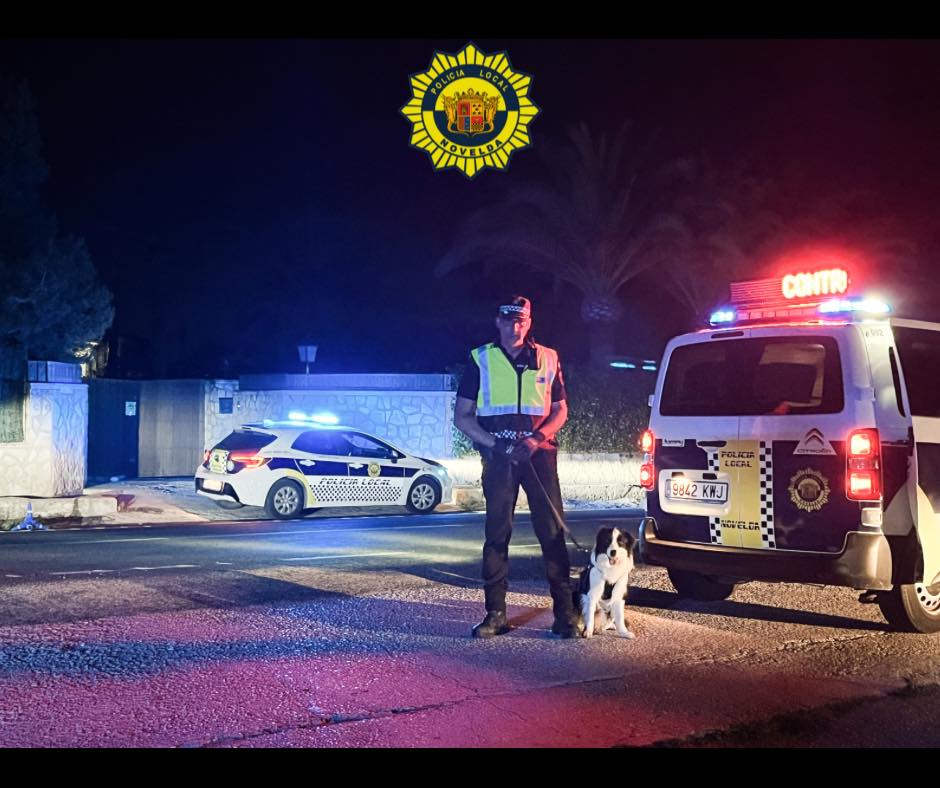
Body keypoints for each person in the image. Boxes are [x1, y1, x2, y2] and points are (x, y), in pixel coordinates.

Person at [454, 295, 580, 639]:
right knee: (496, 535)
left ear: (529, 322)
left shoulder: (548, 358)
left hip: (539, 456)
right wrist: (498, 445)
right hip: (499, 458)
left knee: (552, 534)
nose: (515, 325)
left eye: (521, 319)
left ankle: (565, 614)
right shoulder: (480, 359)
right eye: (509, 319)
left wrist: (535, 440)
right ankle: (495, 614)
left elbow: (561, 411)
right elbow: (461, 417)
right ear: (498, 321)